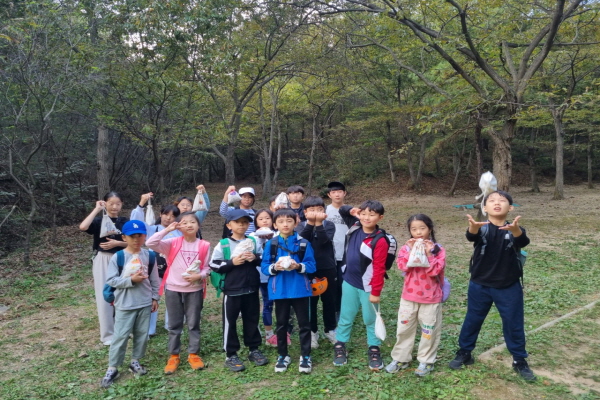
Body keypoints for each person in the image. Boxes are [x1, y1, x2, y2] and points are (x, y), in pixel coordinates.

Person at [449, 190, 535, 381]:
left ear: (510, 208)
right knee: (473, 319)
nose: (497, 203)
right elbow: (471, 237)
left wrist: (515, 230)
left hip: (508, 286)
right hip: (480, 285)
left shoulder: (514, 229)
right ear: (485, 207)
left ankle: (519, 360)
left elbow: (523, 241)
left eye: (502, 201)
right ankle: (464, 352)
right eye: (492, 201)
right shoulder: (481, 228)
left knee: (513, 324)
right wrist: (472, 227)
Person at [146, 212, 211, 375]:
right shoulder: (172, 243)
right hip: (173, 289)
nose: (189, 225)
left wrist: (200, 276)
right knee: (174, 325)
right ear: (179, 226)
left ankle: (193, 354)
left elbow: (207, 267)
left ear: (198, 226)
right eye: (185, 222)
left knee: (193, 323)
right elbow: (150, 242)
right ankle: (174, 355)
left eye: (192, 222)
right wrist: (168, 229)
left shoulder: (204, 245)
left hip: (194, 290)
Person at [100, 220, 160, 388]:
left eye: (139, 235)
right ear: (124, 237)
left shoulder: (149, 256)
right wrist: (131, 280)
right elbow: (111, 280)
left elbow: (155, 280)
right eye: (132, 236)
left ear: (144, 236)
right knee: (120, 336)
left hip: (144, 301)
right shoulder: (118, 257)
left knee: (142, 334)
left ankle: (135, 360)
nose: (136, 239)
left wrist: (155, 298)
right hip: (125, 303)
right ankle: (113, 367)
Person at [385, 214, 446, 377]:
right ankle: (400, 358)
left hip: (430, 298)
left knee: (429, 331)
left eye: (422, 228)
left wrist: (429, 253)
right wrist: (412, 251)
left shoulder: (438, 249)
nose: (418, 232)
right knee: (404, 328)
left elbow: (435, 271)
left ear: (430, 229)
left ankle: (426, 361)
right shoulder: (407, 248)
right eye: (414, 229)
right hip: (409, 297)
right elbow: (403, 266)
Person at [333, 200, 389, 371]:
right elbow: (342, 210)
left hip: (368, 286)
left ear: (380, 217)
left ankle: (374, 348)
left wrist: (375, 291)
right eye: (364, 213)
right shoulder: (355, 225)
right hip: (349, 281)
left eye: (372, 215)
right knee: (346, 316)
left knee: (370, 319)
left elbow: (380, 268)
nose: (367, 217)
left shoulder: (380, 240)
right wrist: (353, 211)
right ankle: (340, 344)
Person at [210, 209, 269, 372]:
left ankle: (254, 349)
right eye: (238, 222)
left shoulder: (253, 241)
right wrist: (231, 263)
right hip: (232, 289)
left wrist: (255, 259)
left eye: (245, 222)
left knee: (252, 318)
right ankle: (231, 354)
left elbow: (263, 259)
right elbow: (213, 264)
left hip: (251, 288)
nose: (242, 225)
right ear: (229, 225)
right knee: (230, 321)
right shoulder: (224, 244)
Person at [261, 209, 316, 374]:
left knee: (304, 324)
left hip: (300, 289)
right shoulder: (271, 244)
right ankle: (282, 355)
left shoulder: (303, 243)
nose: (285, 224)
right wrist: (274, 267)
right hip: (280, 291)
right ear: (275, 224)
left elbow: (312, 265)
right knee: (281, 324)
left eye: (289, 221)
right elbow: (264, 267)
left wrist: (298, 266)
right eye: (281, 221)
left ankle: (305, 355)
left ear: (296, 222)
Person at [79, 191, 129, 345]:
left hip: (123, 257)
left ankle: (125, 329)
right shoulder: (99, 221)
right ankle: (108, 335)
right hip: (103, 258)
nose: (114, 207)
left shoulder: (124, 222)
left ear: (122, 205)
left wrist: (118, 243)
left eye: (118, 204)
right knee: (104, 293)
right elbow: (83, 227)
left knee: (125, 293)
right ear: (105, 203)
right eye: (111, 203)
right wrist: (96, 209)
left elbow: (135, 242)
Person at [131, 193, 182, 336]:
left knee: (173, 297)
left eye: (172, 216)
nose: (168, 218)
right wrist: (142, 203)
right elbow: (137, 222)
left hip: (172, 269)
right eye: (166, 214)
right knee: (153, 296)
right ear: (161, 214)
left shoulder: (179, 232)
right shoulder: (152, 229)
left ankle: (171, 324)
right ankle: (149, 328)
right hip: (154, 267)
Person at [299, 196, 338, 347]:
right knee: (310, 302)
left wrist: (319, 224)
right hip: (307, 269)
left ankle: (330, 329)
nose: (316, 213)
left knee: (329, 301)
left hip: (327, 268)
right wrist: (310, 223)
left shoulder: (329, 225)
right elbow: (302, 241)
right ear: (305, 212)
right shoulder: (300, 226)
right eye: (312, 210)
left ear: (325, 212)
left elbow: (324, 241)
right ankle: (312, 331)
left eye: (319, 210)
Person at [325, 181, 355, 317]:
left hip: (347, 252)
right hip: (330, 253)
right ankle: (335, 310)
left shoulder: (351, 211)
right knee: (333, 283)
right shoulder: (325, 211)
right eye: (334, 192)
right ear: (329, 195)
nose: (337, 194)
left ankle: (345, 310)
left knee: (345, 283)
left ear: (345, 193)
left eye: (340, 191)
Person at [249, 209, 277, 345]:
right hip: (259, 276)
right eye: (261, 219)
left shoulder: (277, 235)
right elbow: (251, 255)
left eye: (267, 218)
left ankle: (279, 332)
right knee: (261, 304)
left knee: (273, 303)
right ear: (256, 222)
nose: (264, 221)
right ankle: (267, 333)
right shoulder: (253, 237)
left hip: (276, 275)